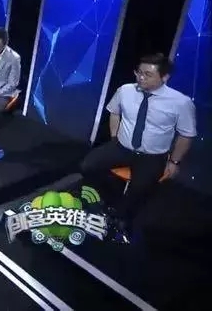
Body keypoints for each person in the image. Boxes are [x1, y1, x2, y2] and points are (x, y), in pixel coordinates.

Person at [80, 53, 196, 242]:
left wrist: (174, 162)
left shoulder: (181, 103)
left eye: (147, 74)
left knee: (140, 189)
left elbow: (186, 135)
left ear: (164, 77)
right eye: (139, 72)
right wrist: (114, 137)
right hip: (122, 147)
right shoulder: (125, 90)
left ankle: (122, 219)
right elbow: (114, 112)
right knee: (87, 166)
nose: (141, 78)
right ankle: (108, 200)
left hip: (152, 156)